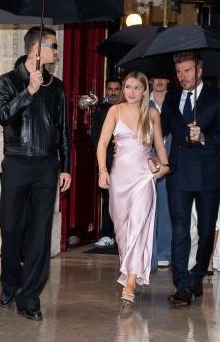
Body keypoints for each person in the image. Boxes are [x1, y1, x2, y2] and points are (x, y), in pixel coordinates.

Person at [0, 26, 72, 321]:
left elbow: (63, 129)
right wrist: (28, 92)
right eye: (53, 45)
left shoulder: (57, 86)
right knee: (11, 227)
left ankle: (29, 298)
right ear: (36, 49)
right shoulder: (8, 81)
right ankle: (10, 282)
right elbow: (2, 115)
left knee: (40, 232)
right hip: (17, 162)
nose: (57, 51)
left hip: (46, 166)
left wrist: (66, 166)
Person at [161, 52, 220, 307]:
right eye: (179, 72)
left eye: (188, 71)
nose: (182, 76)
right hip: (179, 174)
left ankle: (197, 275)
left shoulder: (217, 98)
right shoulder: (171, 98)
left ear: (199, 71)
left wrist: (203, 137)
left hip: (208, 176)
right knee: (180, 231)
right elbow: (161, 131)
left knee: (205, 231)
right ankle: (182, 284)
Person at [96, 72, 170, 304]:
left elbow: (159, 144)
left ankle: (130, 279)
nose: (131, 91)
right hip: (119, 178)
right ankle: (129, 268)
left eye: (137, 87)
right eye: (128, 87)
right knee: (122, 229)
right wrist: (102, 171)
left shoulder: (152, 113)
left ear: (145, 90)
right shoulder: (114, 111)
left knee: (139, 225)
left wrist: (165, 165)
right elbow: (102, 144)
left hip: (143, 178)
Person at [91, 77, 122, 248]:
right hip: (107, 162)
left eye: (117, 89)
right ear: (106, 90)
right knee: (108, 199)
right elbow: (97, 139)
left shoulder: (127, 109)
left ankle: (122, 234)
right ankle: (107, 234)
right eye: (110, 89)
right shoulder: (100, 112)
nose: (113, 92)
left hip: (126, 162)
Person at [149, 75, 173, 270]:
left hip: (170, 162)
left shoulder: (175, 102)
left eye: (163, 78)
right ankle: (149, 255)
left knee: (166, 209)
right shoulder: (141, 102)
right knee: (147, 209)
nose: (159, 81)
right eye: (156, 78)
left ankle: (164, 252)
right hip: (146, 160)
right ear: (150, 81)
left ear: (168, 80)